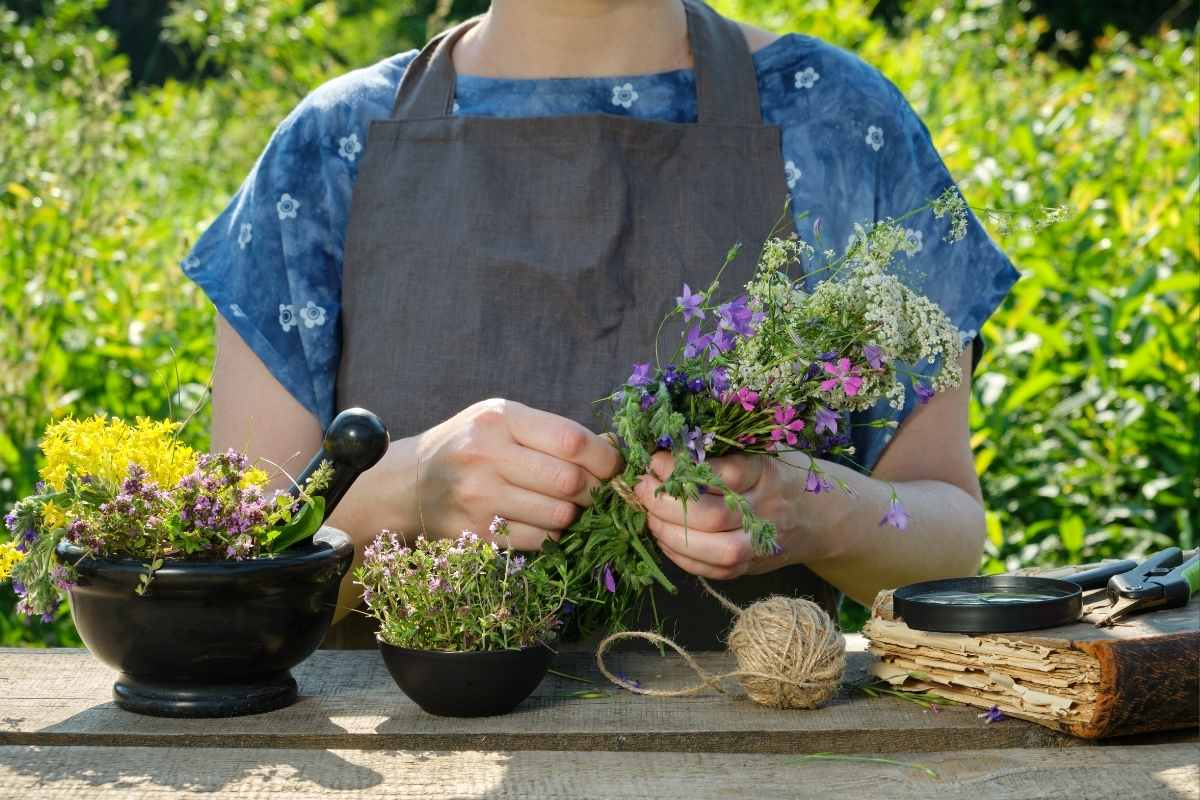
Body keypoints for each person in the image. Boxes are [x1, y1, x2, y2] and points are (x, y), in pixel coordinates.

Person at [182, 0, 1018, 648]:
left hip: (756, 759)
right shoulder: (329, 150)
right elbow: (224, 580)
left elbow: (948, 538)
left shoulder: (841, 125)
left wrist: (816, 508)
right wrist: (405, 491)